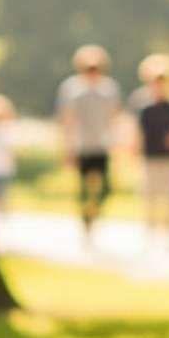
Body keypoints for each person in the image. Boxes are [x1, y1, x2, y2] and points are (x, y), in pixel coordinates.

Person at [53, 45, 122, 245]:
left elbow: (115, 116)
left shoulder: (109, 89)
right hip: (81, 146)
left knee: (106, 188)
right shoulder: (72, 89)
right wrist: (67, 147)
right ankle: (86, 223)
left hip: (102, 145)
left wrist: (118, 142)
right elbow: (67, 120)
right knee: (83, 189)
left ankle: (94, 214)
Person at [128, 56, 169, 250]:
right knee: (150, 199)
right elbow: (137, 135)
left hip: (168, 159)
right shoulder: (145, 109)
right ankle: (149, 236)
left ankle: (168, 237)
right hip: (150, 158)